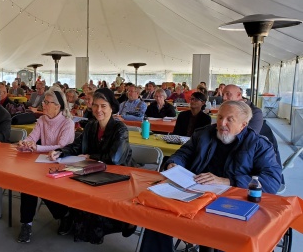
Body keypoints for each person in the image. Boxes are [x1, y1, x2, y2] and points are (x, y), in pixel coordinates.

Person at [139, 101, 282, 252]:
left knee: (222, 232)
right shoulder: (203, 134)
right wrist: (173, 163)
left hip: (231, 200)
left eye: (229, 119)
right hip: (195, 193)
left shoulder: (258, 145)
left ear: (243, 125)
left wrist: (228, 181)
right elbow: (183, 154)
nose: (222, 123)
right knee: (158, 216)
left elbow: (271, 181)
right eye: (220, 117)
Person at [47, 88, 133, 244]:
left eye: (103, 106)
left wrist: (90, 156)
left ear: (112, 107)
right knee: (50, 184)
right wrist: (60, 152)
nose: (98, 110)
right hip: (90, 172)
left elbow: (115, 158)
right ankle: (66, 216)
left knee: (89, 196)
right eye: (95, 105)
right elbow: (76, 146)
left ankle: (123, 222)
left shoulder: (120, 129)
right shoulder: (90, 126)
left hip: (115, 177)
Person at [16, 87, 75, 243]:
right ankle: (26, 224)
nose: (44, 105)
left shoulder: (67, 123)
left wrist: (38, 148)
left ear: (58, 106)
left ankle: (64, 215)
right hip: (44, 161)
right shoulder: (42, 120)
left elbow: (61, 147)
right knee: (28, 184)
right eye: (44, 101)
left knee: (43, 186)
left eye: (47, 102)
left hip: (63, 163)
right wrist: (25, 143)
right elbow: (33, 137)